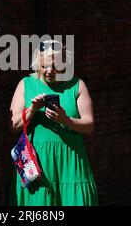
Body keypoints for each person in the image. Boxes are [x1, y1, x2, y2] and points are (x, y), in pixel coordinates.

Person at [9, 40, 98, 206]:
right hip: (38, 162)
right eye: (44, 67)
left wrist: (66, 120)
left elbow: (89, 125)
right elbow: (14, 125)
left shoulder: (77, 85)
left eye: (55, 67)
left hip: (71, 160)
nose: (49, 71)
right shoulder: (26, 84)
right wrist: (33, 109)